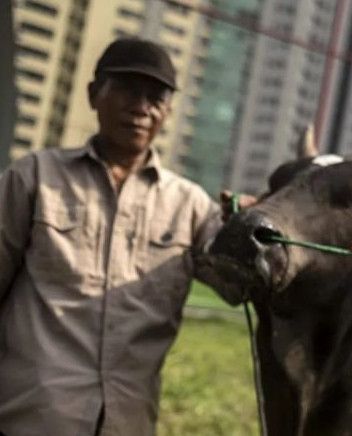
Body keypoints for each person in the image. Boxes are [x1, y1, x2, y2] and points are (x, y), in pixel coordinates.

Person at [0, 38, 248, 436]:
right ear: (94, 94)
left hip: (127, 422)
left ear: (168, 111)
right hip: (31, 416)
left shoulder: (191, 206)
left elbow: (240, 284)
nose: (142, 107)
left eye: (156, 97)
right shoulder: (34, 177)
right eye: (128, 90)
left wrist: (254, 223)